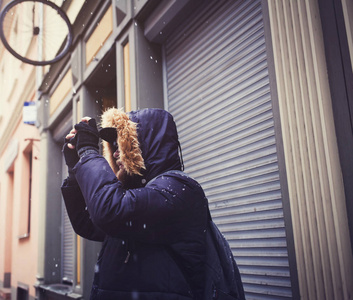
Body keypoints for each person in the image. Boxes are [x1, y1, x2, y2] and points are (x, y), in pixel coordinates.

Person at [61, 108, 208, 300]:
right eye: (112, 146)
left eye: (121, 144)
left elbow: (109, 212)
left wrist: (88, 153)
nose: (114, 154)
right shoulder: (132, 195)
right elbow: (87, 223)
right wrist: (75, 169)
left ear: (144, 147)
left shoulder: (178, 190)